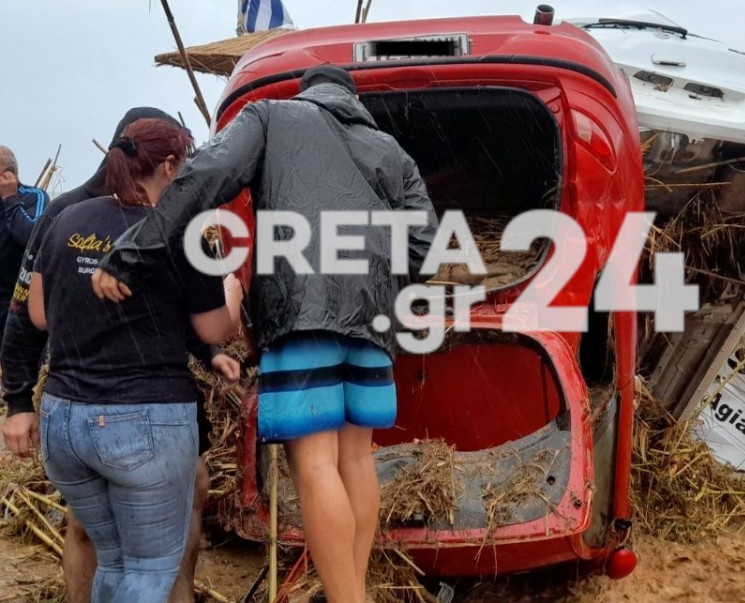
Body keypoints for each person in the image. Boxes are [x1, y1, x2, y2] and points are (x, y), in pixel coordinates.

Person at [92, 64, 437, 603]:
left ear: (308, 93)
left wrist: (133, 252)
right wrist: (377, 284)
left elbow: (202, 178)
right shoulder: (390, 150)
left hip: (302, 316)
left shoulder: (272, 116)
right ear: (352, 99)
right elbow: (425, 246)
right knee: (356, 459)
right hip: (373, 324)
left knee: (316, 463)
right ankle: (354, 591)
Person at [1, 108, 240, 603]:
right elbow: (216, 326)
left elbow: (35, 313)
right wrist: (232, 293)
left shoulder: (66, 217)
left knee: (113, 561)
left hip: (66, 420)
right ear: (170, 166)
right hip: (143, 421)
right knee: (150, 571)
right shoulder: (180, 229)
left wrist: (19, 401)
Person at [0, 145, 49, 332]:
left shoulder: (34, 197)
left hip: (17, 300)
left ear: (7, 174)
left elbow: (30, 236)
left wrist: (10, 198)